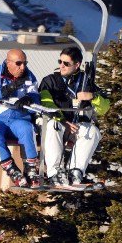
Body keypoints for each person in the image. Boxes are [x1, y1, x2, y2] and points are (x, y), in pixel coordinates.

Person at [39, 47, 110, 185]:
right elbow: (47, 104)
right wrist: (63, 120)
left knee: (93, 131)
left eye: (66, 63)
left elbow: (104, 108)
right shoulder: (50, 81)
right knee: (53, 125)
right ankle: (55, 173)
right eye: (60, 61)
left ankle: (75, 171)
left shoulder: (86, 82)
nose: (61, 66)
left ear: (77, 65)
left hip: (76, 126)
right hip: (58, 123)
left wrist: (93, 97)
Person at [0, 48, 41, 187]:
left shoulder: (29, 76)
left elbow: (35, 94)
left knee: (27, 129)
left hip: (19, 118)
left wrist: (29, 99)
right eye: (18, 63)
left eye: (24, 63)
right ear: (8, 62)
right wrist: (5, 90)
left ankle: (31, 168)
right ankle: (11, 168)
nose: (22, 67)